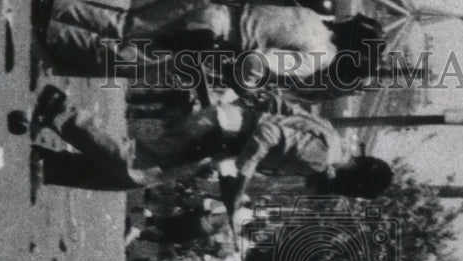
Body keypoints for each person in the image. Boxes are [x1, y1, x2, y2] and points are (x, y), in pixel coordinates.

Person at [29, 83, 393, 209]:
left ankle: (52, 166)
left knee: (133, 178)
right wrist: (241, 181)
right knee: (134, 166)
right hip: (218, 131)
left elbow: (281, 107)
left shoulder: (330, 135)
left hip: (221, 131)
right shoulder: (323, 156)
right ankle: (60, 111)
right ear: (354, 183)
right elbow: (268, 134)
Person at [40, 0, 385, 91]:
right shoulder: (323, 56)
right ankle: (52, 35)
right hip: (212, 33)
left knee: (130, 24)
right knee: (135, 53)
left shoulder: (318, 13)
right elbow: (255, 62)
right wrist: (243, 86)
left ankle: (54, 8)